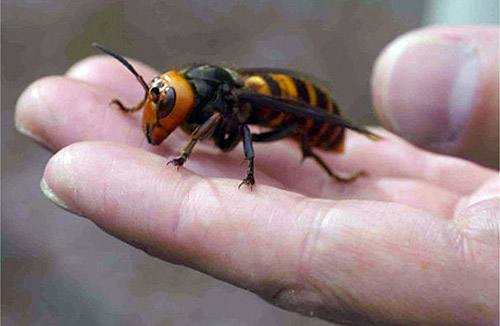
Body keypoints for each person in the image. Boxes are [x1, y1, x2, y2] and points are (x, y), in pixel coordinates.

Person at [15, 26, 498, 325]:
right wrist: (139, 105)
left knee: (278, 125)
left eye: (159, 101)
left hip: (303, 111)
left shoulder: (223, 103)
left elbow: (239, 128)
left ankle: (323, 164)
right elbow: (168, 93)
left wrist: (229, 164)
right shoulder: (186, 89)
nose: (156, 108)